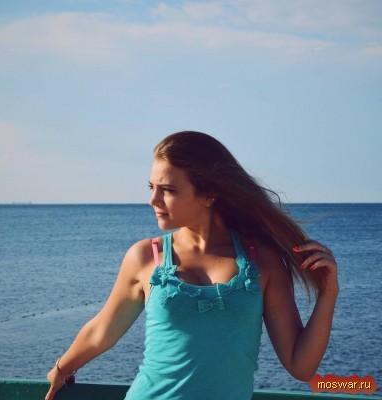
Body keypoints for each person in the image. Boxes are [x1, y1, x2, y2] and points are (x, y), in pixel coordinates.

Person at [45, 131, 339, 400]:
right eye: (151, 187)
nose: (152, 200)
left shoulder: (262, 261)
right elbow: (101, 331)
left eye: (168, 190)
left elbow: (300, 366)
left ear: (209, 195)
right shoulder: (146, 256)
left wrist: (328, 293)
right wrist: (61, 368)